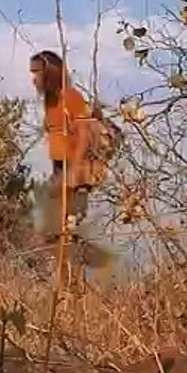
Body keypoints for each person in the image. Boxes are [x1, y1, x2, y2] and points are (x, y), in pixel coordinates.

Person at [29, 50, 119, 242]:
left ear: (50, 72)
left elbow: (84, 133)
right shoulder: (50, 101)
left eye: (36, 72)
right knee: (50, 228)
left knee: (67, 228)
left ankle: (73, 263)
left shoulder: (71, 97)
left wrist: (74, 172)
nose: (33, 79)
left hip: (76, 171)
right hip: (60, 168)